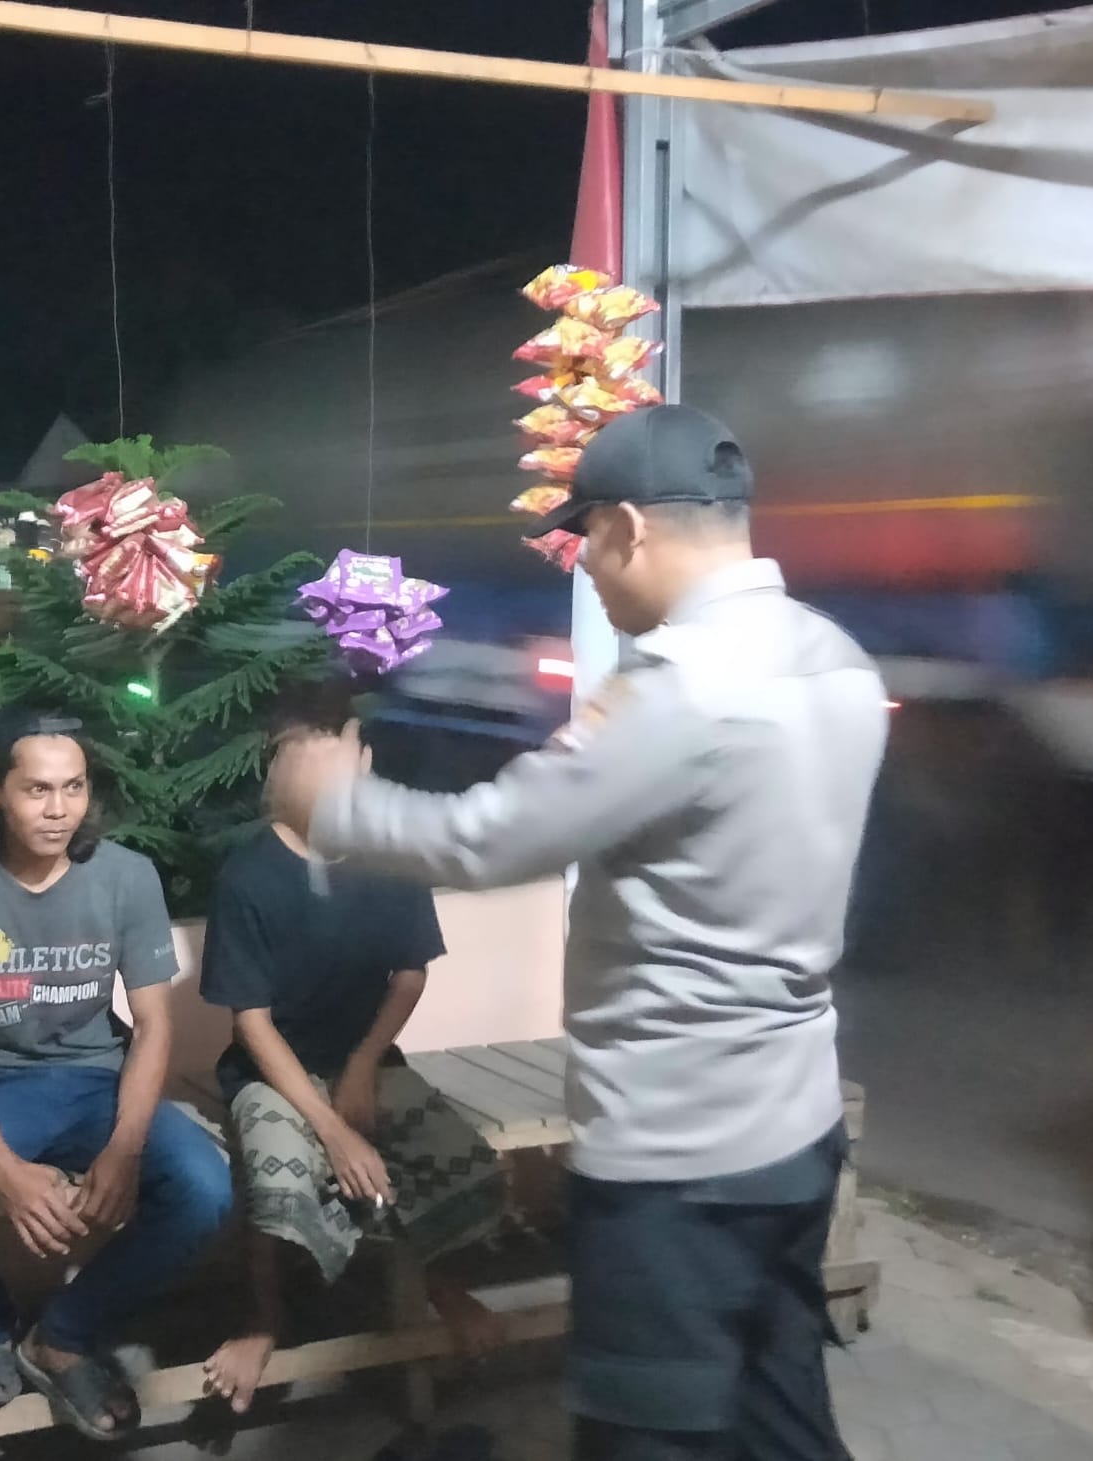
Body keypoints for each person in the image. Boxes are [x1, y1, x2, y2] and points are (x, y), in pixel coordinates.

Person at [269, 405, 888, 1461]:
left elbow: (489, 837)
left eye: (586, 538)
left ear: (630, 528)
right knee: (776, 1414)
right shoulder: (833, 659)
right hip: (793, 1128)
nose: (586, 568)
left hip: (679, 1158)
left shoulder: (683, 689)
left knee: (645, 1434)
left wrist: (331, 804)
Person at [0, 705, 232, 1441]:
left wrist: (125, 1148)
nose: (59, 809)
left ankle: (64, 1335)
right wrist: (7, 1172)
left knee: (205, 1188)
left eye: (74, 787)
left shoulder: (126, 877)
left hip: (98, 1082)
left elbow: (154, 1024)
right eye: (37, 789)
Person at [200, 683, 507, 1416]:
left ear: (364, 760)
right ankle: (264, 1319)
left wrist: (364, 1066)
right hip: (273, 1070)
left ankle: (441, 1288)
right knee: (276, 1170)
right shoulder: (249, 874)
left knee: (451, 1151)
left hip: (364, 1058)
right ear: (282, 769)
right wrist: (331, 1129)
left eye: (342, 754)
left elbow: (410, 973)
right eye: (309, 757)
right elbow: (252, 1023)